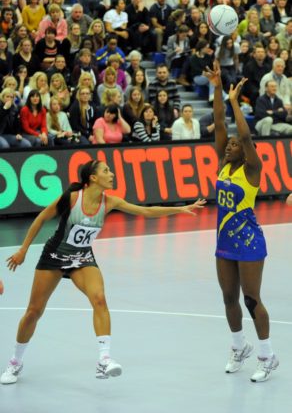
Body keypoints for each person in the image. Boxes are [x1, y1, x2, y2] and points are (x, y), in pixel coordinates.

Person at [0, 159, 206, 384]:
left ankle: (104, 359)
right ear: (93, 178)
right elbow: (41, 219)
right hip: (54, 257)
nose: (112, 174)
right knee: (33, 312)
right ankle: (15, 362)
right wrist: (23, 250)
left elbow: (145, 212)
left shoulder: (109, 202)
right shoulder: (71, 199)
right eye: (106, 171)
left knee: (99, 299)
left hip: (82, 258)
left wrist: (180, 209)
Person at [204, 61, 279, 383]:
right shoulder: (224, 165)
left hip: (249, 240)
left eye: (234, 145)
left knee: (251, 299)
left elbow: (245, 136)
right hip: (224, 240)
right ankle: (239, 346)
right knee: (228, 298)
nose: (229, 146)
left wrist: (236, 101)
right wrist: (218, 88)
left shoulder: (252, 170)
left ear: (245, 151)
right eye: (228, 145)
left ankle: (267, 355)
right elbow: (219, 122)